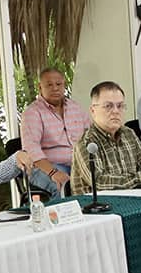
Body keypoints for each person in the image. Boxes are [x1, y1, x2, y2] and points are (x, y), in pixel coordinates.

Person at [70, 82, 141, 193]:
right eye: (108, 106)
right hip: (96, 206)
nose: (115, 111)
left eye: (120, 106)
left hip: (132, 198)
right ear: (93, 111)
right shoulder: (87, 142)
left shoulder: (128, 133)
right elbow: (99, 182)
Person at [19, 67, 90, 198]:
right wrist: (53, 172)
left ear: (64, 85)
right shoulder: (32, 112)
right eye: (49, 85)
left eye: (58, 84)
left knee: (101, 180)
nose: (55, 88)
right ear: (40, 87)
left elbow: (90, 136)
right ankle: (66, 219)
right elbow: (31, 149)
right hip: (45, 168)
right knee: (64, 185)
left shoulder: (76, 108)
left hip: (79, 165)